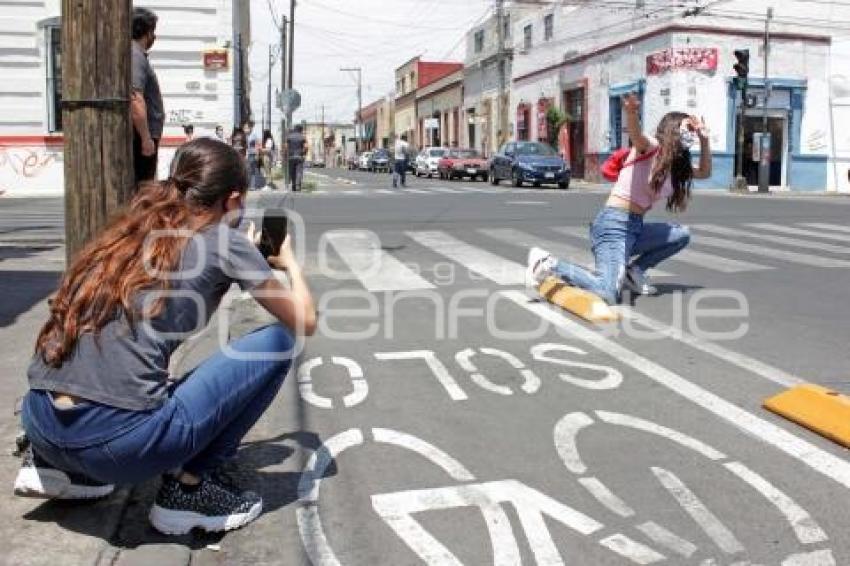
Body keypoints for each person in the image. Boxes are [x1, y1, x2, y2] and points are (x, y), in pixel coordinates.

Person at [13, 138, 317, 536]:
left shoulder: (128, 232)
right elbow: (304, 321)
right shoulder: (224, 241)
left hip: (40, 420)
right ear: (232, 200)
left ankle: (57, 467)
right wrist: (288, 262)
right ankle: (187, 490)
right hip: (115, 445)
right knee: (280, 341)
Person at [526, 93, 711, 304]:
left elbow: (704, 172)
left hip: (635, 227)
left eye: (693, 131)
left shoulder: (675, 166)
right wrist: (631, 112)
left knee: (681, 235)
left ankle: (634, 272)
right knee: (607, 292)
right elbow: (637, 134)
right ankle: (547, 264)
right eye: (687, 128)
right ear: (672, 128)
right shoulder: (651, 147)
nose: (691, 134)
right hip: (613, 225)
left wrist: (705, 140)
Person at [130, 7, 164, 186]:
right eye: (153, 31)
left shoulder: (137, 55)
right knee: (144, 187)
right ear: (147, 31)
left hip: (145, 134)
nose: (154, 36)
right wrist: (145, 137)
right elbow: (135, 98)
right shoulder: (135, 56)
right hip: (142, 135)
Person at [285, 124, 307, 192]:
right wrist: (304, 153)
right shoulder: (302, 137)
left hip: (291, 156)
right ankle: (298, 185)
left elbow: (286, 147)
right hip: (299, 156)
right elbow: (306, 147)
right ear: (300, 129)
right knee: (299, 171)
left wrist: (286, 155)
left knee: (292, 171)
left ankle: (293, 185)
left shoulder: (289, 137)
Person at [244, 120, 263, 190]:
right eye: (244, 128)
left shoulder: (254, 135)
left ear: (250, 128)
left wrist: (257, 154)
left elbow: (258, 145)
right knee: (247, 171)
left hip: (252, 154)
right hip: (246, 155)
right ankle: (248, 185)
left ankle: (252, 185)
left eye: (246, 128)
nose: (245, 129)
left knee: (252, 171)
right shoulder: (244, 136)